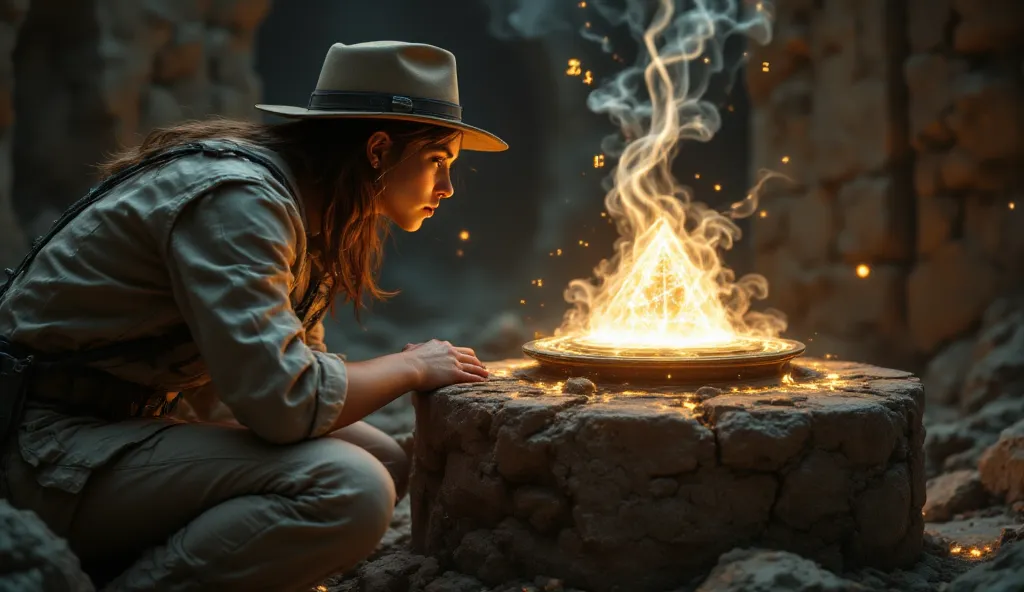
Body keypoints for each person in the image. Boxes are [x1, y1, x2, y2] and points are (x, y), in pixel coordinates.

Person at [0, 40, 507, 590]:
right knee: (351, 487)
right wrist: (411, 369)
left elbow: (282, 375)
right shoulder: (241, 201)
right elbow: (285, 402)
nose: (447, 188)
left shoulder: (302, 206)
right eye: (438, 162)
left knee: (381, 457)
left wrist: (381, 377)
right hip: (40, 450)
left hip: (108, 429)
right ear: (379, 149)